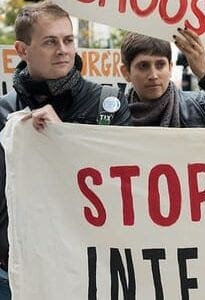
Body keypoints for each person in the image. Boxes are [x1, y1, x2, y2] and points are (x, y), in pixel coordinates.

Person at [0, 2, 132, 298]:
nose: (63, 49)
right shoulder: (4, 113)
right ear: (22, 50)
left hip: (94, 270)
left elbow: (125, 187)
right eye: (50, 42)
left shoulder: (109, 103)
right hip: (16, 273)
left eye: (68, 40)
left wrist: (64, 139)